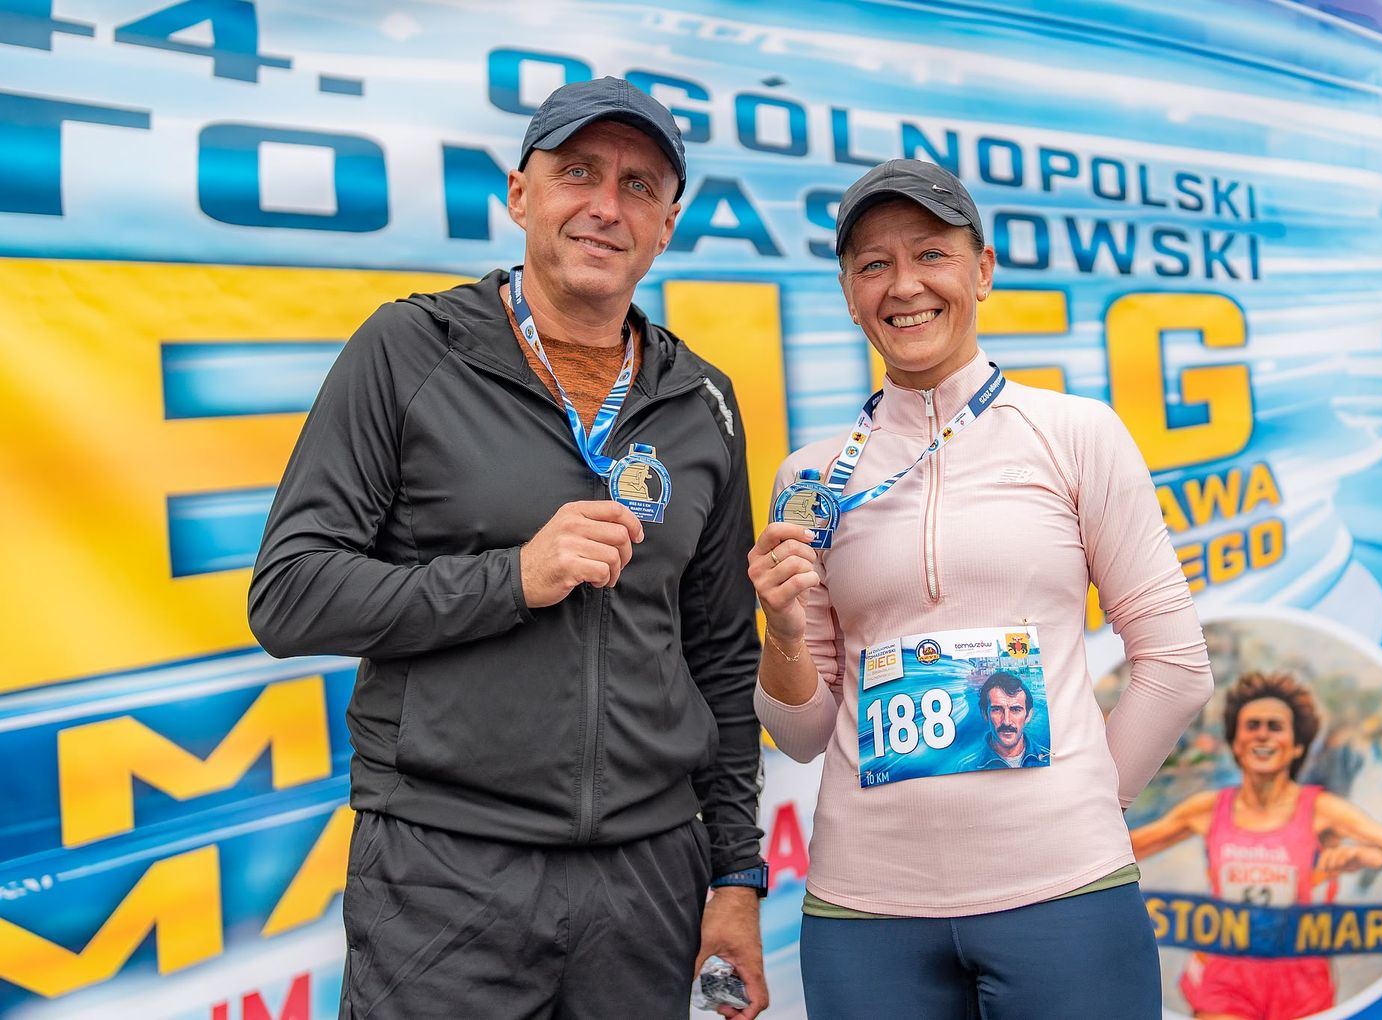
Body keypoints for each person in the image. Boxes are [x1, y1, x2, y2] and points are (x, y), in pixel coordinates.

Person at [249, 77, 768, 1019]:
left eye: (639, 187)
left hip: (648, 880)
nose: (606, 206)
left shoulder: (703, 402)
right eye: (578, 173)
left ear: (666, 228)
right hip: (446, 871)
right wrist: (513, 578)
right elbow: (290, 594)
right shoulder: (410, 349)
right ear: (521, 194)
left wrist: (734, 873)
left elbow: (723, 657)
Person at [749, 158, 1214, 1019]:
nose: (904, 285)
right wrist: (780, 632)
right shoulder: (810, 480)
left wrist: (1078, 811)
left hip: (1065, 892)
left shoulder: (1075, 434)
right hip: (864, 910)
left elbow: (1176, 666)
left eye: (932, 253)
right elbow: (801, 734)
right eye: (874, 264)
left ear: (983, 270)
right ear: (849, 294)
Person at [1130, 671, 1382, 1020]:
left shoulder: (1322, 810)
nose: (1262, 734)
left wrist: (1371, 855)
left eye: (1275, 727)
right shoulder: (1208, 809)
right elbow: (1124, 852)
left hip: (1302, 983)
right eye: (1252, 726)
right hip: (1224, 979)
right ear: (1236, 743)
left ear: (1297, 746)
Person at [962, 671, 1049, 770]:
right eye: (997, 710)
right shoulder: (967, 767)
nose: (1006, 721)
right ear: (985, 714)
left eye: (1015, 710)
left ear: (1028, 715)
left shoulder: (1047, 759)